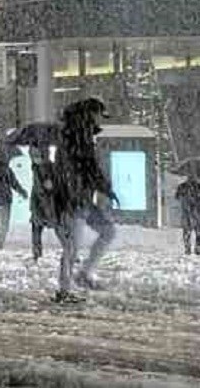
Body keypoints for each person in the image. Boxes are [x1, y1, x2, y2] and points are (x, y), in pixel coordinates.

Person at [52, 98, 117, 303]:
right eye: (99, 114)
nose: (100, 119)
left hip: (82, 198)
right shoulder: (77, 136)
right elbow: (87, 167)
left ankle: (84, 274)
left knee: (108, 231)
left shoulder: (81, 135)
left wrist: (101, 187)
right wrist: (104, 186)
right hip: (73, 198)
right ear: (90, 114)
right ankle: (64, 289)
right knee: (72, 245)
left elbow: (87, 168)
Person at [175, 175, 200, 255]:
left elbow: (177, 197)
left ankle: (188, 248)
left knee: (187, 231)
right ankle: (197, 249)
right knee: (198, 231)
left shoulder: (182, 186)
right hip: (198, 212)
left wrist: (184, 198)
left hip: (187, 211)